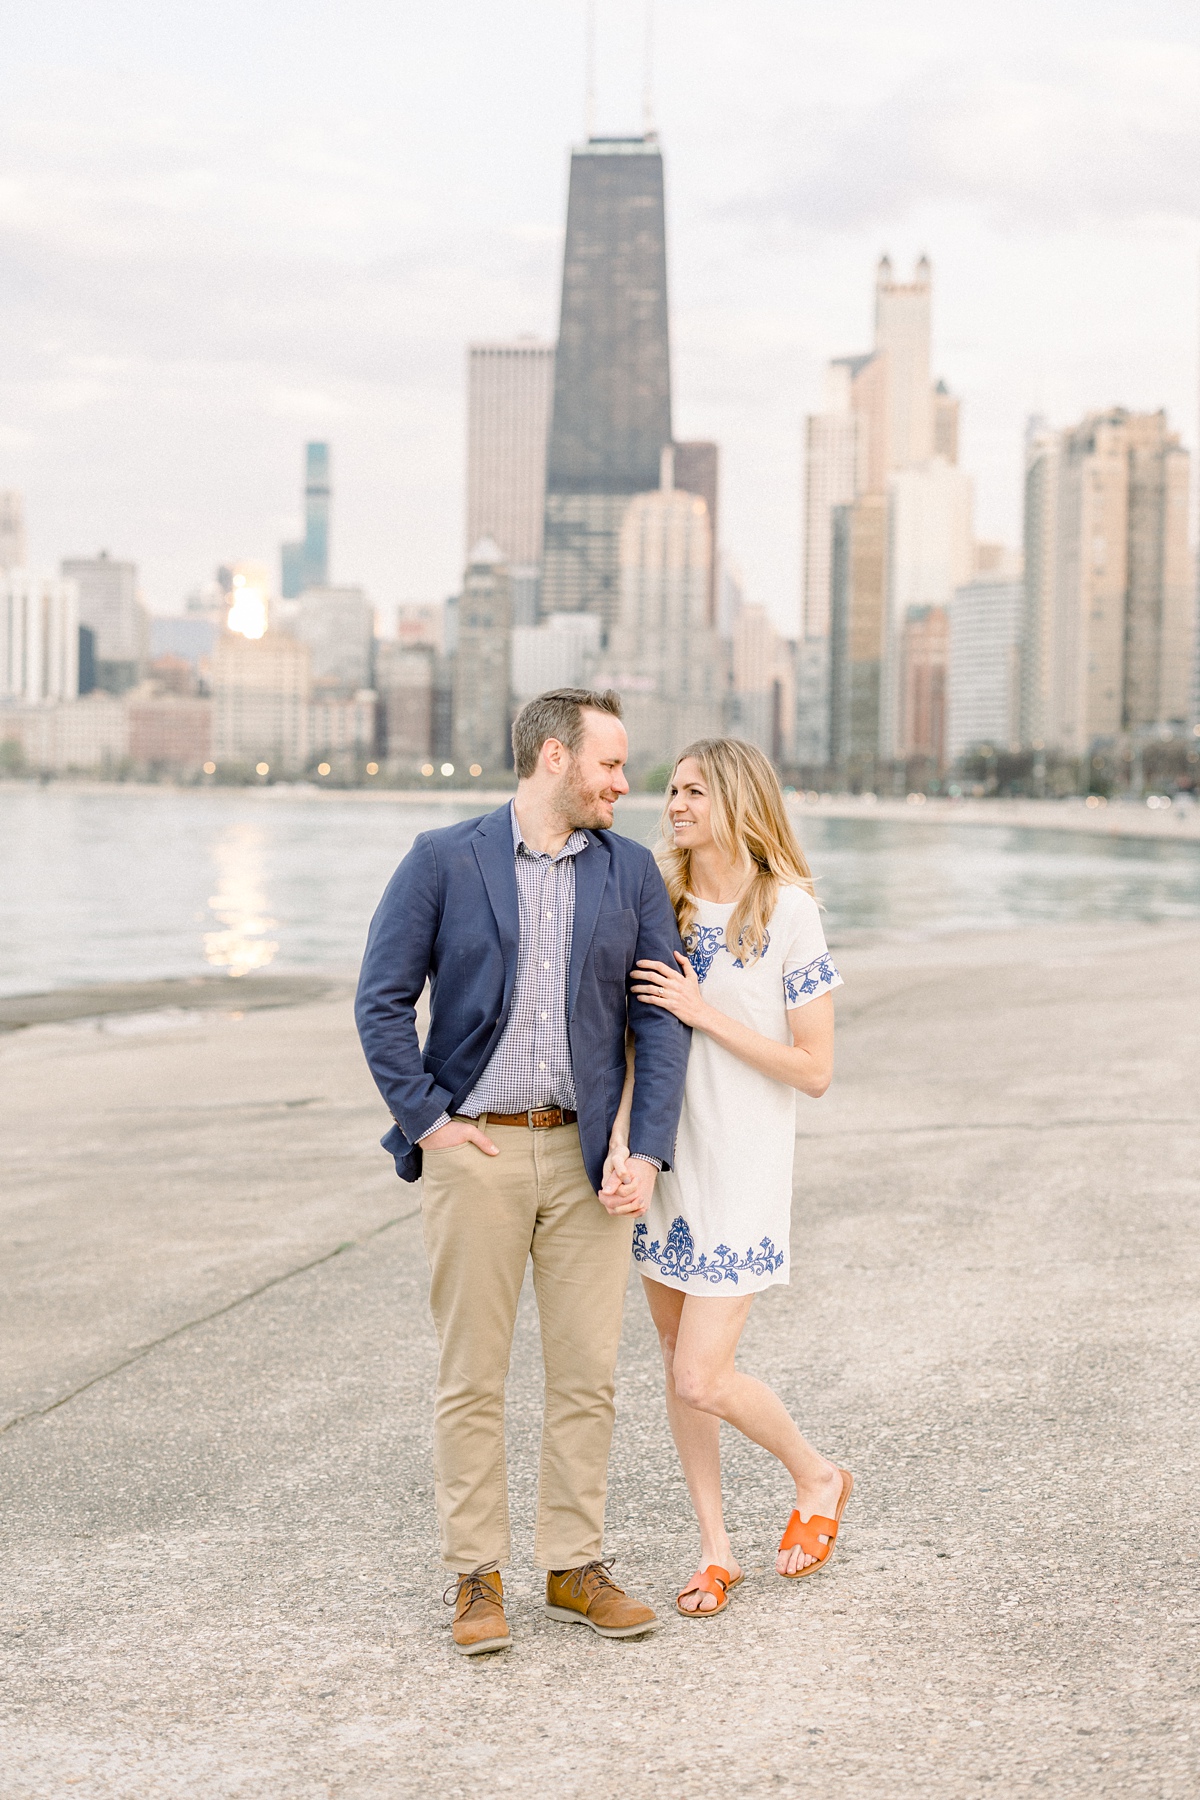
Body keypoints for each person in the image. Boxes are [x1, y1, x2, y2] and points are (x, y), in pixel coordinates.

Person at [355, 689, 689, 1655]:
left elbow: (656, 1021)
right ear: (554, 757)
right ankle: (475, 1577)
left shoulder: (629, 873)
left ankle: (572, 1567)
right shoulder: (442, 860)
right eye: (611, 765)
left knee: (587, 1375)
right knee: (473, 1377)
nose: (627, 785)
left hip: (593, 1158)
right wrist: (428, 1121)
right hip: (479, 1152)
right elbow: (382, 1001)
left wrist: (648, 1147)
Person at [604, 738, 852, 1618]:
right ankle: (716, 1548)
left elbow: (814, 1068)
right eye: (670, 790)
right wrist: (622, 1147)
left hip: (742, 1170)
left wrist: (704, 1013)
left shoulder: (788, 912)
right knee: (676, 1366)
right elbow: (634, 1045)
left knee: (704, 1375)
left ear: (737, 800)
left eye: (693, 791)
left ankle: (817, 1476)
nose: (672, 804)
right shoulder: (657, 903)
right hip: (665, 1168)